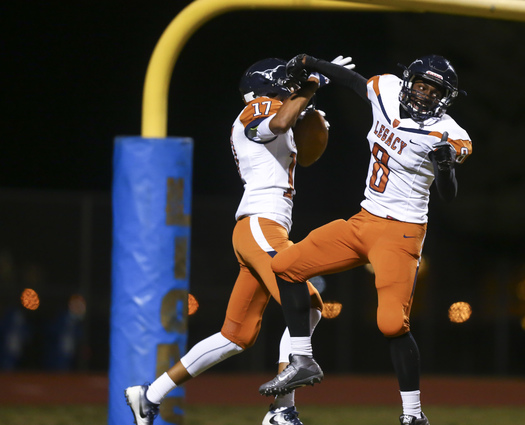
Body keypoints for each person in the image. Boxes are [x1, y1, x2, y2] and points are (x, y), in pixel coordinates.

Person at [124, 56, 353, 425]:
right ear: (272, 85)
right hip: (261, 224)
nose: (295, 85)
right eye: (290, 81)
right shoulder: (261, 107)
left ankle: (149, 396)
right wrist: (311, 88)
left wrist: (312, 102)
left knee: (236, 335)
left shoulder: (272, 106)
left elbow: (305, 152)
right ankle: (282, 411)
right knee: (307, 301)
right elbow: (278, 123)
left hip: (260, 228)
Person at [257, 54, 473, 425]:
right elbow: (354, 80)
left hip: (401, 233)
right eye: (420, 84)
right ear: (409, 82)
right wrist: (312, 61)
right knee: (285, 266)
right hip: (363, 220)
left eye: (433, 90)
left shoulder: (449, 133)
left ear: (444, 96)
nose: (423, 94)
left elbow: (449, 194)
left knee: (391, 324)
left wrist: (445, 165)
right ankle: (303, 359)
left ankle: (412, 415)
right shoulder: (387, 90)